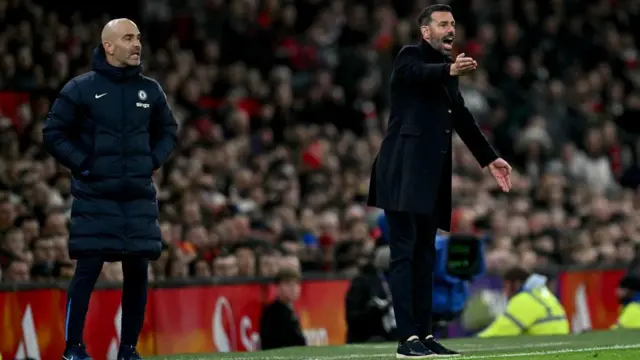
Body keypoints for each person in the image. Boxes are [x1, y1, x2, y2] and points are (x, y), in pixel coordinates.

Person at [366, 4, 512, 358]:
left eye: (453, 24)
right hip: (402, 172)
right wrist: (449, 69)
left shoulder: (446, 76)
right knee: (403, 255)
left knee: (425, 258)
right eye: (443, 24)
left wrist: (489, 158)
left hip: (430, 178)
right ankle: (406, 340)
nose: (450, 29)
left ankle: (424, 334)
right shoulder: (408, 57)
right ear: (426, 32)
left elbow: (462, 118)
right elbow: (415, 74)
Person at [42, 18, 178, 360]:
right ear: (109, 45)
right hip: (95, 195)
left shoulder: (151, 90)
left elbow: (169, 131)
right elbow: (54, 132)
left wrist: (152, 161)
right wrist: (84, 165)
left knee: (137, 273)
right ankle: (73, 348)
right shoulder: (81, 88)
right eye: (128, 38)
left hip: (138, 197)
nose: (137, 44)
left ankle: (128, 350)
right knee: (87, 270)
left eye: (139, 38)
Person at [477, 267, 569, 337]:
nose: (505, 292)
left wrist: (475, 340)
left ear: (516, 284)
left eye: (506, 286)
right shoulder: (545, 295)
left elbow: (500, 331)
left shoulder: (524, 299)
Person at [345, 246, 396, 343]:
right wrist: (373, 310)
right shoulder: (362, 282)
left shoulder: (394, 282)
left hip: (390, 334)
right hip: (367, 336)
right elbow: (351, 316)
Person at [259, 268, 307, 350]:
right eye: (288, 284)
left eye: (296, 284)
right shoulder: (272, 313)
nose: (294, 288)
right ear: (278, 288)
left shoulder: (291, 311)